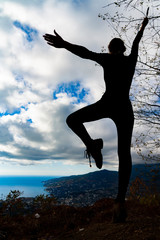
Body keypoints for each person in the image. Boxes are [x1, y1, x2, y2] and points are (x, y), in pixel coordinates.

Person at [43, 16, 148, 222]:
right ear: (123, 49)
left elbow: (85, 53)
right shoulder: (130, 60)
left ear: (109, 49)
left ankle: (93, 145)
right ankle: (120, 202)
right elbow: (137, 41)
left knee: (72, 120)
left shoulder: (107, 58)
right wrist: (142, 26)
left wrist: (64, 44)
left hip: (107, 103)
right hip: (124, 108)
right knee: (123, 154)